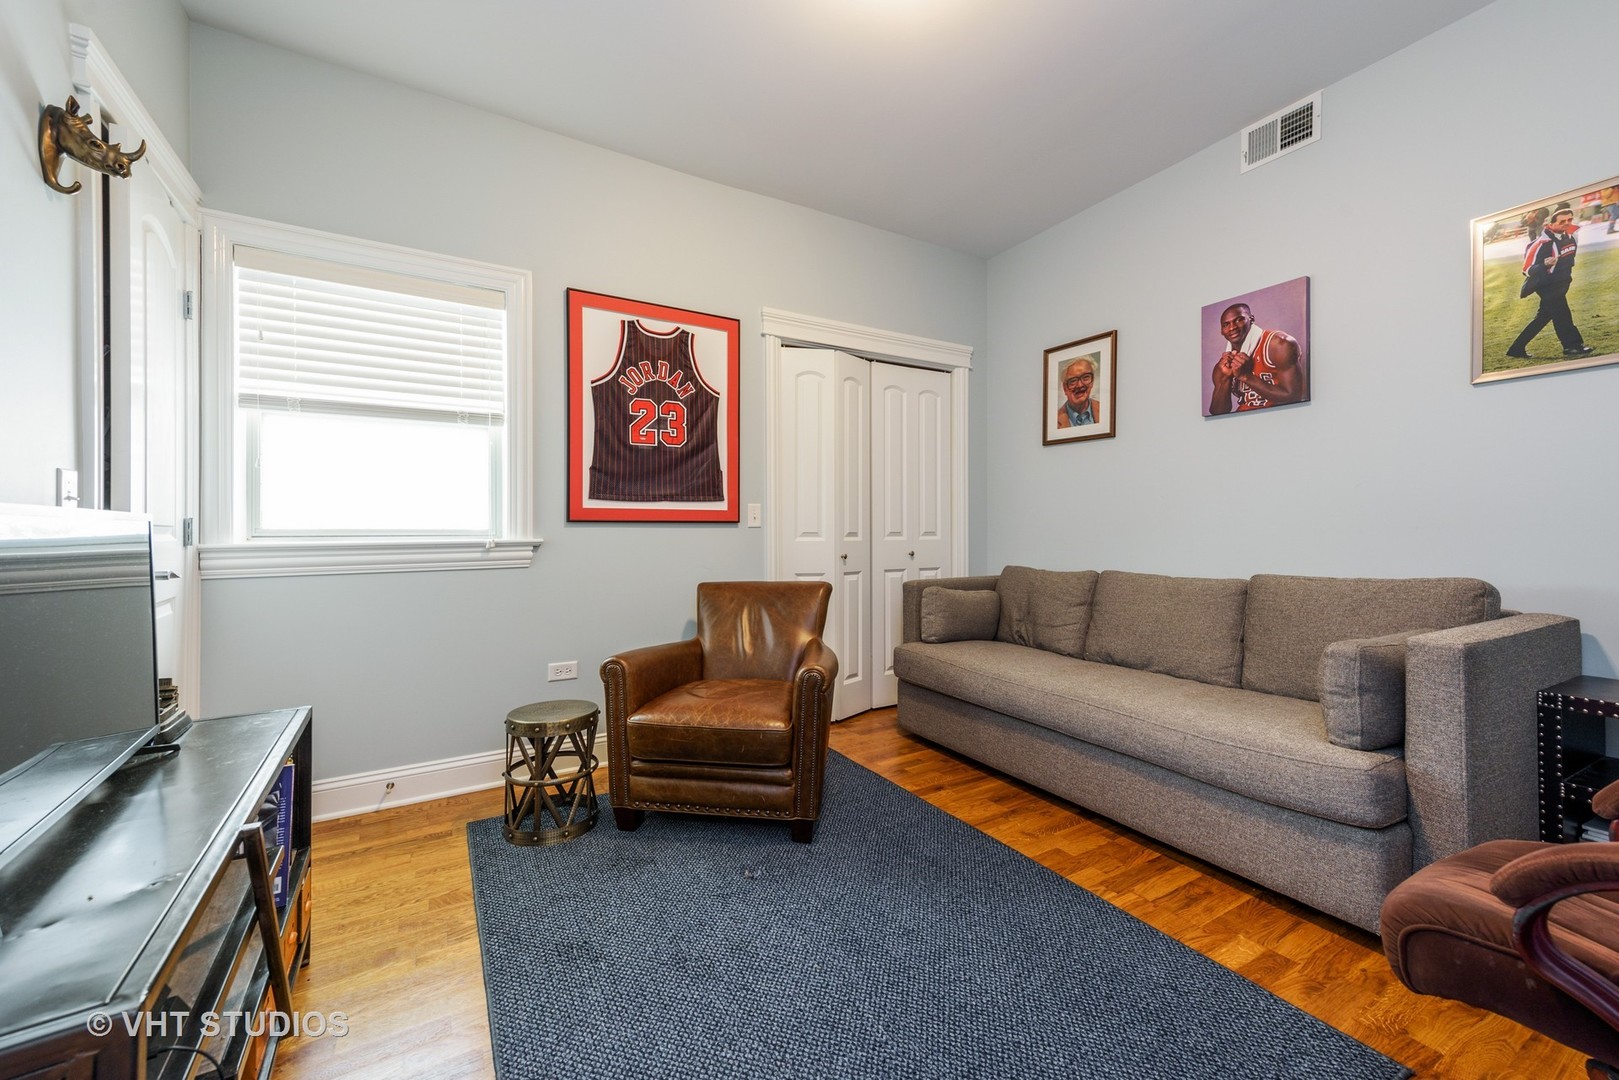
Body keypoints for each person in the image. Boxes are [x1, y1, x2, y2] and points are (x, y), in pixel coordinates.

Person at [1507, 204, 1595, 360]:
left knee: (1543, 318)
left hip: (1562, 284)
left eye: (1569, 220)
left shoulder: (1571, 236)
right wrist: (1545, 264)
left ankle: (1516, 348)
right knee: (1563, 315)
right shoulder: (1541, 243)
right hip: (1547, 286)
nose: (1567, 223)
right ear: (1551, 223)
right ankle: (1572, 346)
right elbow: (1527, 269)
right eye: (1562, 221)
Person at [1207, 303, 1304, 414]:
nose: (1232, 327)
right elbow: (1218, 413)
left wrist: (1245, 376)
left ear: (1251, 319)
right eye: (1226, 325)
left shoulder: (1279, 344)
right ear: (1221, 331)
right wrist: (1225, 379)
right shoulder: (1224, 364)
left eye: (1239, 320)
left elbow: (1294, 397)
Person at [1055, 354, 1105, 428]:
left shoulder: (1105, 411)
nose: (1080, 385)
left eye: (1085, 377)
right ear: (1065, 388)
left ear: (1092, 381)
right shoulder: (1054, 421)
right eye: (1073, 381)